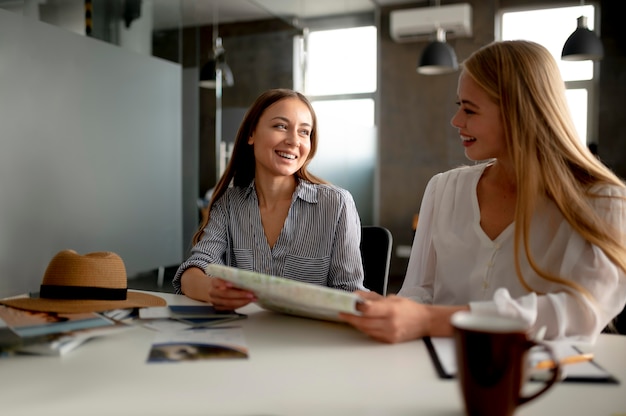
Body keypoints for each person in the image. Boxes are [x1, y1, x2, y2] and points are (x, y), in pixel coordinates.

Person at [340, 40, 626, 344]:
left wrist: (431, 320)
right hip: (432, 369)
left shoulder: (603, 201)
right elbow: (419, 292)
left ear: (519, 113)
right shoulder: (443, 189)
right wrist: (394, 310)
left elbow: (581, 313)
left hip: (542, 378)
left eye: (470, 110)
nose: (456, 121)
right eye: (458, 106)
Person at [173, 88, 365, 309]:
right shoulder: (229, 203)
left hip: (310, 340)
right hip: (244, 334)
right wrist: (212, 289)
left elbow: (351, 292)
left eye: (304, 132)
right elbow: (194, 270)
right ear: (251, 134)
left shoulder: (337, 204)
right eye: (281, 126)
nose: (294, 141)